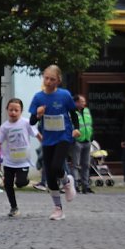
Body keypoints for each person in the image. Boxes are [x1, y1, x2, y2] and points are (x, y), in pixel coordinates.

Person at [29, 65, 79, 221]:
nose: (48, 81)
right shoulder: (38, 97)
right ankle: (58, 209)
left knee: (57, 166)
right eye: (46, 78)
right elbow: (31, 121)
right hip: (48, 138)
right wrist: (38, 115)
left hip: (64, 136)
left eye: (52, 79)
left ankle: (66, 180)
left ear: (58, 80)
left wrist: (76, 128)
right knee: (50, 173)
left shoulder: (64, 95)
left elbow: (73, 113)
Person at [0, 98, 39, 217]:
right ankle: (14, 207)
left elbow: (37, 134)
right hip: (10, 160)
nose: (13, 112)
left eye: (16, 110)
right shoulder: (4, 126)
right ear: (7, 110)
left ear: (21, 111)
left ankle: (25, 180)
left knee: (20, 183)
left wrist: (46, 143)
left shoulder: (26, 123)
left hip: (23, 160)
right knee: (8, 184)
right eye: (11, 110)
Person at [71, 94, 94, 194]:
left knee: (86, 164)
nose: (84, 103)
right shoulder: (71, 112)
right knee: (75, 165)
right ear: (76, 102)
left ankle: (86, 186)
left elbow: (90, 124)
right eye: (82, 101)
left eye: (84, 101)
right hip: (77, 141)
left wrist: (91, 136)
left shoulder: (87, 111)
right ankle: (75, 186)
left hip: (87, 140)